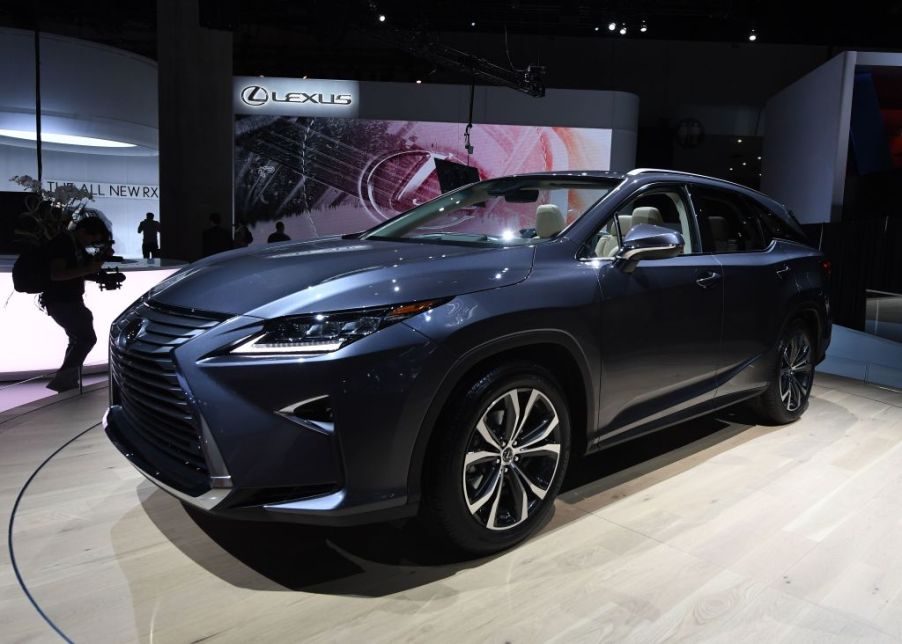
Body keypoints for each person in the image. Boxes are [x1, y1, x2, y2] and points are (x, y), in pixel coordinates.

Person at [41, 217, 110, 392]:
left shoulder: (73, 244)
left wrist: (97, 273)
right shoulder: (63, 243)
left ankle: (68, 383)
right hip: (62, 301)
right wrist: (89, 270)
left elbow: (79, 270)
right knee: (87, 338)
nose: (91, 242)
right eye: (92, 238)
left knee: (78, 339)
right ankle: (63, 381)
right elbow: (56, 274)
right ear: (82, 231)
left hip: (68, 300)